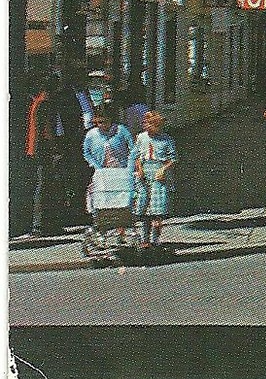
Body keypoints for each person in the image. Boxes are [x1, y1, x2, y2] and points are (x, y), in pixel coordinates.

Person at [24, 73, 74, 236]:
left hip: (37, 148)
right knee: (46, 186)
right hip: (44, 149)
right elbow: (47, 130)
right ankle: (41, 225)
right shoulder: (46, 103)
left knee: (43, 185)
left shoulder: (37, 101)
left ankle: (42, 224)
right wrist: (55, 149)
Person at [82, 107, 135, 242]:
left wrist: (130, 166)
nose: (101, 125)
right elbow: (86, 152)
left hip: (121, 171)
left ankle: (121, 233)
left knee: (120, 200)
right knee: (102, 200)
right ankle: (102, 231)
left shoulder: (121, 131)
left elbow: (132, 149)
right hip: (102, 172)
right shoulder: (91, 134)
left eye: (104, 122)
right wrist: (95, 165)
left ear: (110, 120)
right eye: (98, 122)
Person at [131, 110, 176, 248]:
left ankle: (155, 239)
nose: (149, 127)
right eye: (147, 124)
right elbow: (137, 155)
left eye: (153, 125)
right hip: (144, 172)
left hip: (158, 173)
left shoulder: (167, 139)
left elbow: (173, 158)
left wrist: (163, 169)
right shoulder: (141, 138)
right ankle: (145, 240)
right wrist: (139, 169)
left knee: (157, 209)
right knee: (144, 209)